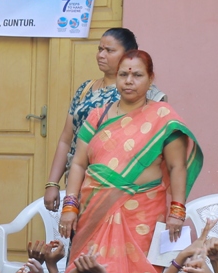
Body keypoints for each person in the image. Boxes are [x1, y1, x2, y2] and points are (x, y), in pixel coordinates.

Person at [58, 50, 202, 273]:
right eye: (123, 74)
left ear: (150, 79)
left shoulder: (163, 118)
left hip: (142, 211)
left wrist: (177, 211)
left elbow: (177, 166)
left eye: (137, 75)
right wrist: (70, 205)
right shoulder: (98, 115)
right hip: (95, 210)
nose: (128, 80)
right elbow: (79, 163)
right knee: (89, 272)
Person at [44, 28, 167, 212]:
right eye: (100, 49)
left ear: (127, 55)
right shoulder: (86, 89)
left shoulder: (147, 95)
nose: (101, 55)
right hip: (78, 187)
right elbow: (66, 139)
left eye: (109, 50)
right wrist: (52, 183)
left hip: (123, 190)